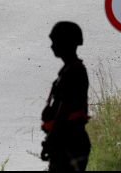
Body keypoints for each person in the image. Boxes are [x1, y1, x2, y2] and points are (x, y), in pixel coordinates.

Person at [41, 21, 91, 171]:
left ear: (66, 43)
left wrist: (51, 139)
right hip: (66, 139)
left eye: (55, 42)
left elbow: (64, 111)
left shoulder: (74, 72)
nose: (52, 46)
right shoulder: (69, 70)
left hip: (69, 141)